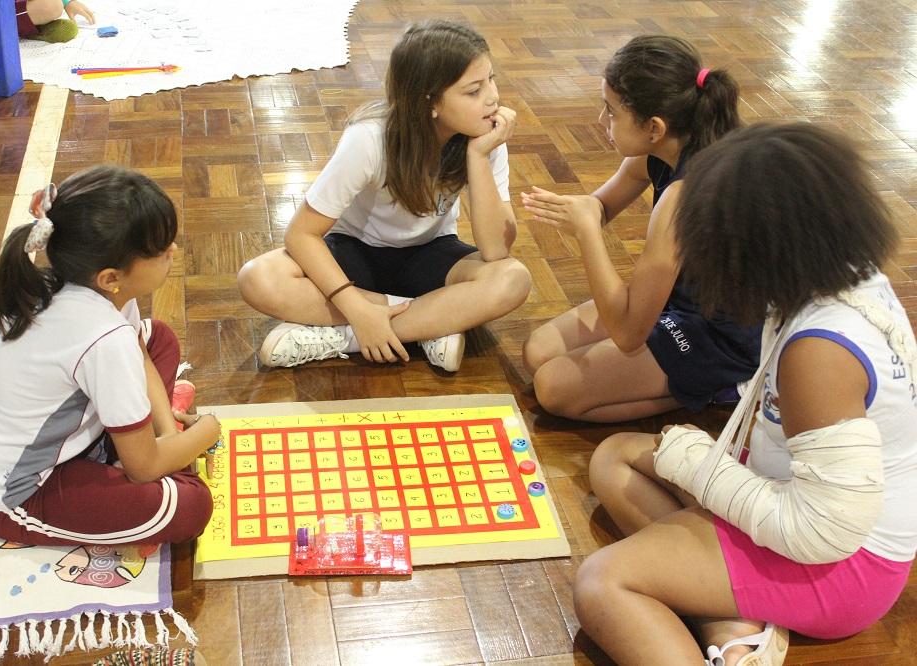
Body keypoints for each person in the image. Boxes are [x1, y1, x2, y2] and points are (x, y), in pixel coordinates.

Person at [578, 123, 916, 665]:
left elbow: (820, 532)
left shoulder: (819, 354)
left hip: (845, 566)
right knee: (616, 456)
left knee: (603, 581)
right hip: (795, 493)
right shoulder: (847, 274)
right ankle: (732, 625)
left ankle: (720, 611)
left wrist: (697, 468)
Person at [237, 20, 530, 373]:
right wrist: (356, 308)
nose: (493, 98)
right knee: (258, 277)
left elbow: (496, 250)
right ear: (429, 101)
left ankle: (347, 337)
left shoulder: (485, 138)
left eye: (491, 80)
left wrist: (479, 157)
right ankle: (430, 323)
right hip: (355, 254)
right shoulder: (370, 139)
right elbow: (301, 234)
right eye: (473, 91)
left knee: (512, 278)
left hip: (431, 256)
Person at [0, 165, 219, 548]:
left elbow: (141, 354)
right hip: (14, 496)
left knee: (158, 338)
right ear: (111, 277)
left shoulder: (79, 285)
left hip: (54, 440)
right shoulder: (102, 335)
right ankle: (127, 493)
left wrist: (169, 434)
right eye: (161, 251)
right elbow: (144, 468)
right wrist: (204, 433)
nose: (173, 252)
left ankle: (132, 458)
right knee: (191, 505)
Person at [521, 35, 760, 422]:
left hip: (721, 339)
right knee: (538, 351)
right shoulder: (667, 146)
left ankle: (724, 385)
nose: (603, 122)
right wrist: (582, 211)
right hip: (678, 306)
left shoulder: (684, 196)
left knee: (553, 387)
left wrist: (586, 232)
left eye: (611, 112)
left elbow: (628, 333)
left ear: (654, 127)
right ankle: (688, 383)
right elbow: (599, 207)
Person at [0, 0, 94, 44]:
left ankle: (29, 25)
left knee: (53, 4)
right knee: (51, 6)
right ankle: (32, 30)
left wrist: (68, 2)